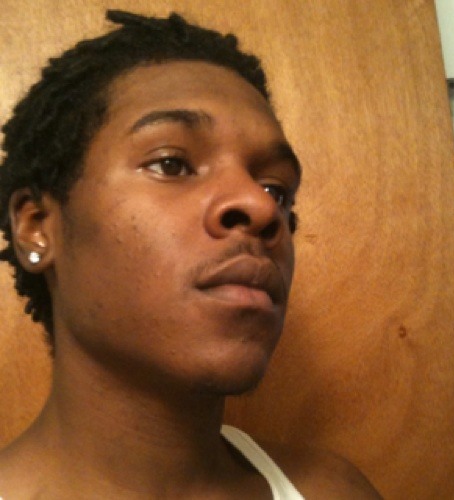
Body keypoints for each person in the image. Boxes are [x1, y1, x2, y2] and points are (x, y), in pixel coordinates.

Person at [0, 10, 381, 499]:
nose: (261, 206)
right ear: (36, 227)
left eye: (276, 189)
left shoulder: (333, 491)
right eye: (171, 164)